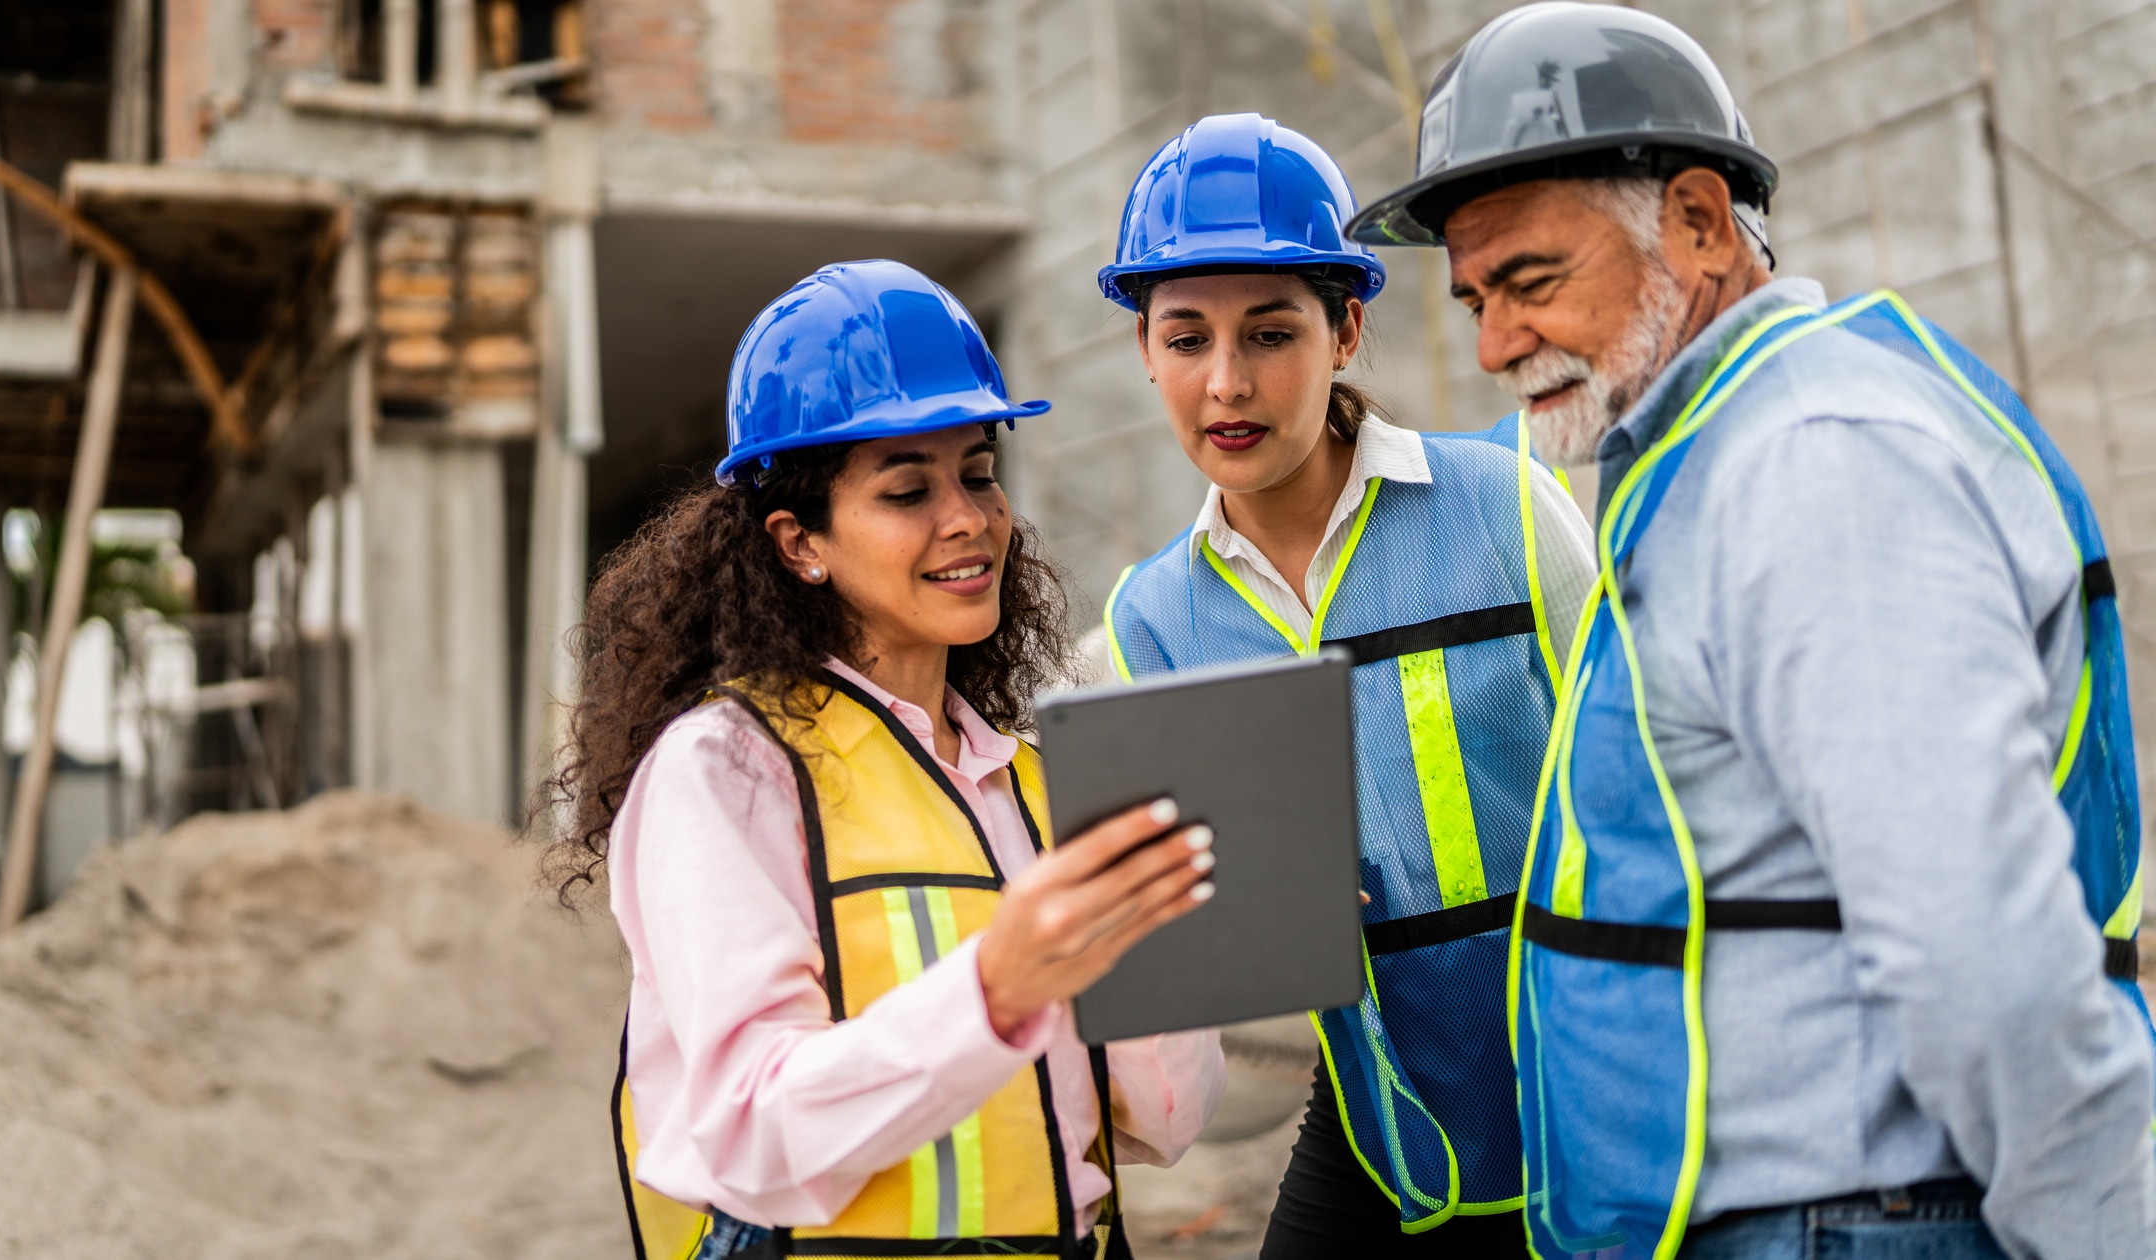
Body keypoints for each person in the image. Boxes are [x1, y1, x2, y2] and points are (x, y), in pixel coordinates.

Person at [1347, 5, 2156, 1258]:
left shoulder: (1814, 470)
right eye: (1471, 302)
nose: (1496, 344)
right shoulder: (1720, 452)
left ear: (1699, 222)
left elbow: (1980, 954)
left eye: (1531, 282)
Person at [544, 260, 1227, 1260]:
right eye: (908, 489)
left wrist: (1187, 945)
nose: (967, 518)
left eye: (979, 474)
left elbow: (1160, 1126)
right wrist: (994, 989)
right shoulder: (726, 773)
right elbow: (749, 1127)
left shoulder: (1034, 780)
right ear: (797, 543)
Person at [1096, 113, 1599, 1257]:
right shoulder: (1149, 624)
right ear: (1144, 352)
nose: (1225, 383)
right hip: (1376, 1129)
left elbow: (1643, 785)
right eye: (1184, 339)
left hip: (1580, 1110)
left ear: (1346, 329)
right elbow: (1192, 921)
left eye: (1270, 333)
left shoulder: (1504, 508)